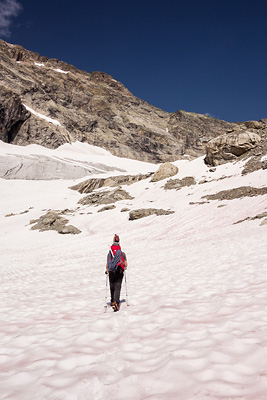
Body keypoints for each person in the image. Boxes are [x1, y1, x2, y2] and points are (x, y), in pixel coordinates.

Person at [106, 234, 127, 312]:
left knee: (112, 286)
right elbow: (125, 264)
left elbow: (107, 264)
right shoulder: (122, 253)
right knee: (117, 287)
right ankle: (116, 303)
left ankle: (112, 301)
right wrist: (124, 268)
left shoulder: (110, 252)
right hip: (119, 271)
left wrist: (107, 271)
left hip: (111, 271)